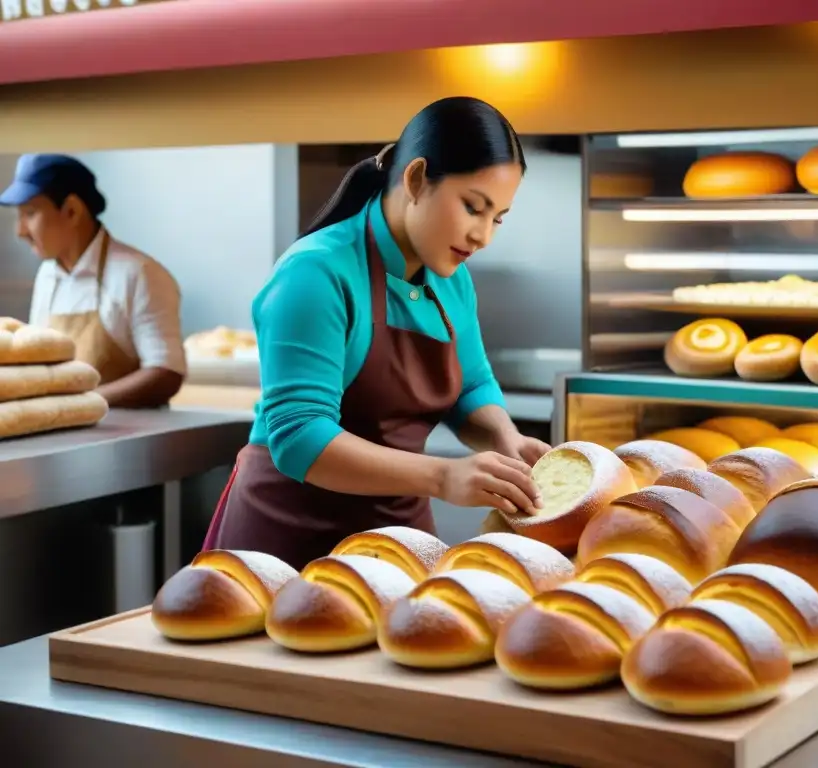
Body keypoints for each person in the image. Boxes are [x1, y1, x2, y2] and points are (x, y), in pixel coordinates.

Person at [202, 96, 549, 569]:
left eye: (498, 218)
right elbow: (300, 436)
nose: (483, 236)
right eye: (473, 207)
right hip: (287, 545)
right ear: (415, 179)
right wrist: (444, 477)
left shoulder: (451, 278)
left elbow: (470, 386)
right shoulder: (315, 273)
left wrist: (505, 439)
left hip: (398, 545)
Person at [0, 154, 186, 408]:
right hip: (62, 429)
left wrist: (79, 404)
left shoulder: (139, 274)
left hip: (129, 441)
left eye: (30, 213)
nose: (20, 231)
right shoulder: (47, 275)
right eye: (18, 216)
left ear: (72, 211)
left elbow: (166, 373)